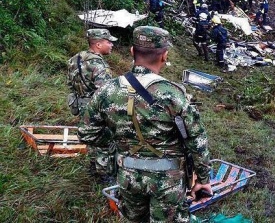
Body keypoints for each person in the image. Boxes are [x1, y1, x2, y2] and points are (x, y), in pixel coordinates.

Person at [78, 26, 212, 222]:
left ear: (132, 51)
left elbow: (86, 133)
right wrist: (203, 179)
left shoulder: (106, 91)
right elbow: (197, 140)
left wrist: (118, 142)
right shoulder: (173, 94)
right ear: (164, 56)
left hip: (128, 176)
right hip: (168, 180)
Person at [67, 28, 117, 179]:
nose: (112, 45)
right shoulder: (99, 65)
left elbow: (70, 84)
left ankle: (93, 168)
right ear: (99, 44)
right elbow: (105, 93)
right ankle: (104, 175)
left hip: (81, 105)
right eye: (109, 42)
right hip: (96, 108)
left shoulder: (75, 59)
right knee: (105, 141)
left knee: (90, 138)